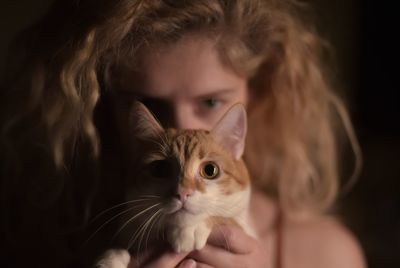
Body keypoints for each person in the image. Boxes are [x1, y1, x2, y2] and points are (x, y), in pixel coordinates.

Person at [0, 0, 366, 267]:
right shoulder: (40, 239)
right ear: (102, 104)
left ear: (254, 97)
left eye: (209, 102)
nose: (180, 129)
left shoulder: (326, 254)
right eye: (148, 105)